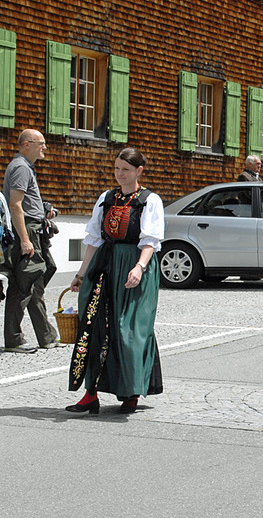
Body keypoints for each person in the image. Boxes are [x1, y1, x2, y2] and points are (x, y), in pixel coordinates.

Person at [65, 148, 165, 414]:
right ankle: (90, 394)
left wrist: (139, 267)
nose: (120, 174)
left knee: (129, 330)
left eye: (126, 170)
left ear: (139, 171)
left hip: (134, 267)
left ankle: (130, 391)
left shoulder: (149, 200)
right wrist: (80, 274)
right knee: (93, 327)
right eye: (117, 168)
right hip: (105, 266)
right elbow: (93, 240)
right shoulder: (106, 198)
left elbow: (150, 242)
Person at [3, 129, 60, 353]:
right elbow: (15, 205)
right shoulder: (20, 168)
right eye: (41, 143)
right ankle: (14, 340)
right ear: (27, 144)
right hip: (26, 232)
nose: (44, 147)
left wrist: (44, 212)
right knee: (23, 285)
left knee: (35, 283)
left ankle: (46, 336)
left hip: (34, 229)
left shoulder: (25, 167)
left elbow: (25, 204)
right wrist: (25, 240)